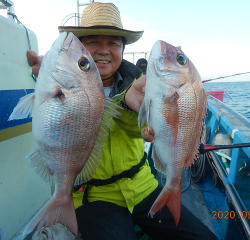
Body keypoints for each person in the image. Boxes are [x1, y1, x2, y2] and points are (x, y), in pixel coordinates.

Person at [27, 2, 218, 240]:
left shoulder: (142, 85)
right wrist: (39, 76)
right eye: (93, 41)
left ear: (123, 49)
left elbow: (138, 128)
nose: (104, 50)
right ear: (80, 46)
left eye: (113, 43)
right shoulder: (59, 76)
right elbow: (47, 115)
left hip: (142, 186)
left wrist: (130, 105)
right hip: (93, 196)